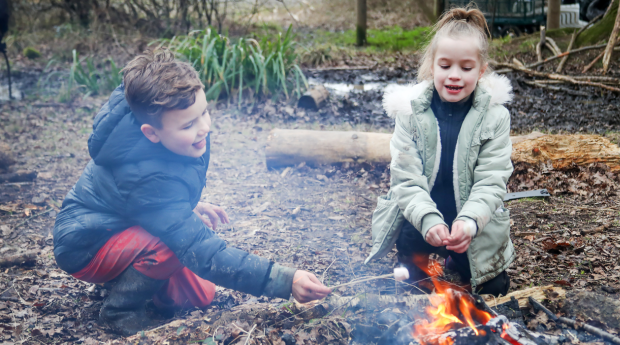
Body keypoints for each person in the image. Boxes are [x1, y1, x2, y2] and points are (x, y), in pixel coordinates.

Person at [53, 50, 331, 336]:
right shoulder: (144, 177)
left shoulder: (171, 131)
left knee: (198, 296)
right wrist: (285, 280)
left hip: (120, 223)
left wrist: (185, 207)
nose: (204, 128)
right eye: (189, 125)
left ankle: (134, 279)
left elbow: (154, 197)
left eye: (204, 112)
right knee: (173, 245)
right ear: (151, 133)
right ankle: (119, 310)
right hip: (84, 244)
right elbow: (204, 252)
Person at [365, 6, 515, 297]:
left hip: (471, 223)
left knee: (493, 289)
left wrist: (470, 221)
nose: (454, 76)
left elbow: (492, 179)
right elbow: (406, 179)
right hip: (420, 218)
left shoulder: (495, 118)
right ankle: (417, 254)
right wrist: (428, 220)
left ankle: (459, 258)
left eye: (466, 67)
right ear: (432, 66)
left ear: (481, 70)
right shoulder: (409, 113)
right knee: (410, 284)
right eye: (445, 66)